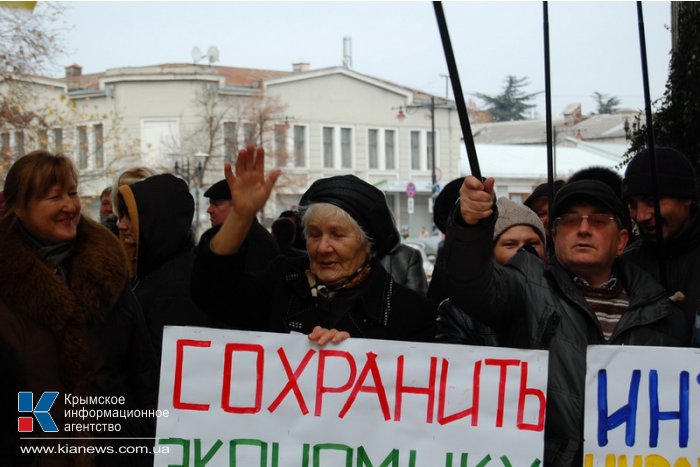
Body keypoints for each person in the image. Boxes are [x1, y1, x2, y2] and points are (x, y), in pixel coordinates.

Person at [445, 176, 686, 466]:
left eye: (598, 221)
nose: (583, 229)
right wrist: (470, 224)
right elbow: (472, 285)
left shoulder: (663, 312)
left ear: (621, 241)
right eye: (570, 221)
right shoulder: (526, 283)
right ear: (555, 236)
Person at [0, 151, 158, 466]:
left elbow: (143, 372)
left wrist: (141, 441)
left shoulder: (108, 270)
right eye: (54, 196)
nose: (70, 206)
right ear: (19, 206)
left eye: (72, 193)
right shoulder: (5, 281)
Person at [191, 145, 436, 344]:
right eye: (315, 234)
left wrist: (357, 355)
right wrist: (240, 217)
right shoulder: (280, 282)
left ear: (368, 244)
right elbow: (213, 296)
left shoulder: (408, 312)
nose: (322, 248)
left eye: (338, 235)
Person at [117, 173, 207, 357]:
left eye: (129, 216)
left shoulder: (177, 284)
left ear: (155, 219)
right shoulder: (156, 269)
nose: (121, 225)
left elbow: (165, 366)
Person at [437, 196, 546, 346]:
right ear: (490, 253)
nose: (523, 252)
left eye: (532, 243)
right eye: (510, 244)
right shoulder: (458, 313)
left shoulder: (563, 300)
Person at [622, 147, 700, 344]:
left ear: (687, 198)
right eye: (632, 204)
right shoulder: (626, 267)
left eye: (651, 201)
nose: (641, 216)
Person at [203, 178, 279, 275]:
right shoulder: (232, 237)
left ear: (238, 206)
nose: (209, 210)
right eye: (210, 204)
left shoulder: (256, 241)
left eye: (216, 205)